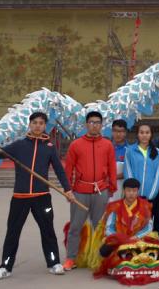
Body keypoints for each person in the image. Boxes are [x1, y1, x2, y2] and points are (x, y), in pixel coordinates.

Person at [0, 111, 73, 280]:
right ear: (30, 124)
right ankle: (5, 266)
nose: (37, 126)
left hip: (42, 197)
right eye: (34, 123)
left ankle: (54, 263)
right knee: (13, 232)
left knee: (47, 231)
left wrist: (67, 189)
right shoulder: (19, 145)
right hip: (20, 197)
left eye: (41, 123)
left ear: (45, 126)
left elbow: (59, 170)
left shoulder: (49, 147)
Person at [64, 110, 118, 271]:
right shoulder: (76, 145)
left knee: (99, 227)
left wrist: (112, 187)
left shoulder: (107, 145)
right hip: (80, 191)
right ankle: (71, 258)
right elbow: (69, 169)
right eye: (92, 122)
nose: (95, 125)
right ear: (86, 124)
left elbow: (112, 167)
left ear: (102, 125)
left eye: (98, 123)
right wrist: (68, 189)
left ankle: (99, 258)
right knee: (75, 226)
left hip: (101, 191)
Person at [123, 122, 159, 202]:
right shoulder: (129, 151)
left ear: (151, 134)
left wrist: (151, 194)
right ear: (137, 134)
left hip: (150, 196)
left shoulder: (158, 152)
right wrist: (132, 192)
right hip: (133, 196)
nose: (144, 135)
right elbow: (128, 172)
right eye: (141, 132)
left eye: (147, 132)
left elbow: (158, 175)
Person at [110, 119, 130, 198]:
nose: (118, 134)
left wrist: (114, 177)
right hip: (106, 187)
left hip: (122, 188)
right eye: (115, 131)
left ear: (125, 133)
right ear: (112, 131)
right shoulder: (105, 147)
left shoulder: (130, 150)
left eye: (121, 131)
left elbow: (130, 171)